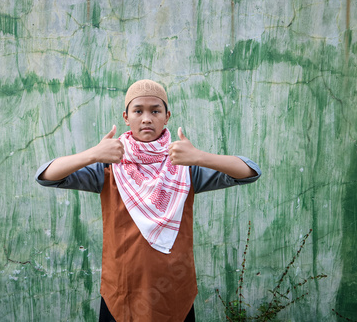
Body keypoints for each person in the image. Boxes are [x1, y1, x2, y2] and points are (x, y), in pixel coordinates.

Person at [35, 79, 261, 322]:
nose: (146, 118)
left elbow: (249, 172)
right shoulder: (110, 168)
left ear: (167, 116)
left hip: (172, 289)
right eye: (138, 111)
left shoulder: (183, 168)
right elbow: (46, 176)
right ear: (126, 116)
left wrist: (199, 157)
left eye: (155, 111)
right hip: (121, 290)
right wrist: (93, 154)